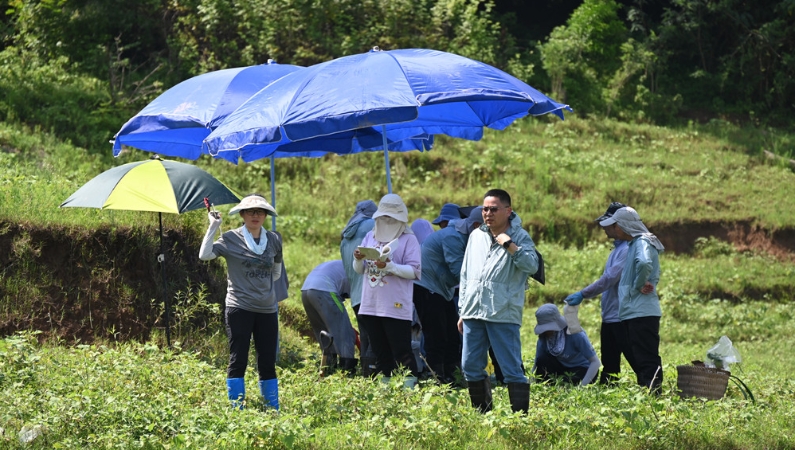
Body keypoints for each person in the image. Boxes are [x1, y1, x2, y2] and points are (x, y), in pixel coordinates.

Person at [458, 189, 539, 413]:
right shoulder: (476, 236)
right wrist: (462, 310)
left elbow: (532, 266)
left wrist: (510, 245)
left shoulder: (520, 236)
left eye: (494, 209)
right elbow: (465, 275)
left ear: (508, 211)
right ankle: (483, 415)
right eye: (485, 209)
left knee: (511, 368)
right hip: (473, 310)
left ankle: (520, 419)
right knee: (470, 366)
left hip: (502, 311)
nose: (488, 213)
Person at [199, 194, 282, 410]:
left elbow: (276, 271)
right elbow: (204, 254)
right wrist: (213, 226)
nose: (255, 215)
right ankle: (237, 409)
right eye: (250, 211)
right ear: (242, 214)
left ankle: (272, 408)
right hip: (240, 308)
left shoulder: (274, 239)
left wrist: (261, 288)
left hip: (267, 309)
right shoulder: (229, 238)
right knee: (239, 358)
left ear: (266, 215)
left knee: (267, 361)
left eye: (260, 211)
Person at [353, 194, 422, 383]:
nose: (387, 221)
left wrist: (390, 266)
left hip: (395, 305)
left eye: (391, 217)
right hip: (370, 304)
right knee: (380, 352)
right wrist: (358, 259)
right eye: (384, 216)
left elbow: (414, 271)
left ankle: (410, 392)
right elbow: (360, 270)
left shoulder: (409, 239)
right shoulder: (370, 236)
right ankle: (386, 393)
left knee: (402, 351)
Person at [563, 202, 631, 384]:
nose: (604, 228)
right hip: (609, 315)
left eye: (608, 224)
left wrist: (583, 294)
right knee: (610, 361)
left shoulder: (626, 250)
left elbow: (609, 279)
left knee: (635, 358)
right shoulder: (616, 250)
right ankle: (608, 388)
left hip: (621, 316)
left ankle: (649, 388)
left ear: (618, 225)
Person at [598, 206, 664, 393]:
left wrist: (638, 284)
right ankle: (648, 392)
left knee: (645, 357)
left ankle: (654, 394)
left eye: (617, 226)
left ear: (625, 226)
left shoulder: (642, 242)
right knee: (640, 355)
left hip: (641, 311)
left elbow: (644, 262)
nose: (615, 230)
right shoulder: (635, 243)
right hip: (634, 311)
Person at [413, 207, 482, 384]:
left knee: (452, 334)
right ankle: (437, 377)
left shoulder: (468, 236)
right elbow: (459, 271)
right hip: (426, 287)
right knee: (437, 334)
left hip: (443, 289)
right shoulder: (454, 237)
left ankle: (452, 374)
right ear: (475, 225)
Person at [340, 200, 377, 375]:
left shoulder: (346, 235)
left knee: (366, 337)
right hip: (371, 291)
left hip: (356, 295)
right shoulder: (371, 225)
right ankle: (374, 376)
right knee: (376, 338)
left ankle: (366, 375)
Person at [300, 260, 357, 376]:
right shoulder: (360, 273)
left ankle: (329, 369)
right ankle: (347, 373)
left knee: (324, 333)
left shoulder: (344, 264)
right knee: (344, 333)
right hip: (325, 289)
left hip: (306, 290)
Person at [531, 304, 601, 386]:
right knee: (543, 360)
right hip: (561, 367)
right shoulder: (543, 337)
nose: (546, 331)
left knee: (567, 381)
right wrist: (531, 381)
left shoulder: (575, 333)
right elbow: (538, 361)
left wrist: (582, 386)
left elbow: (595, 362)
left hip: (581, 368)